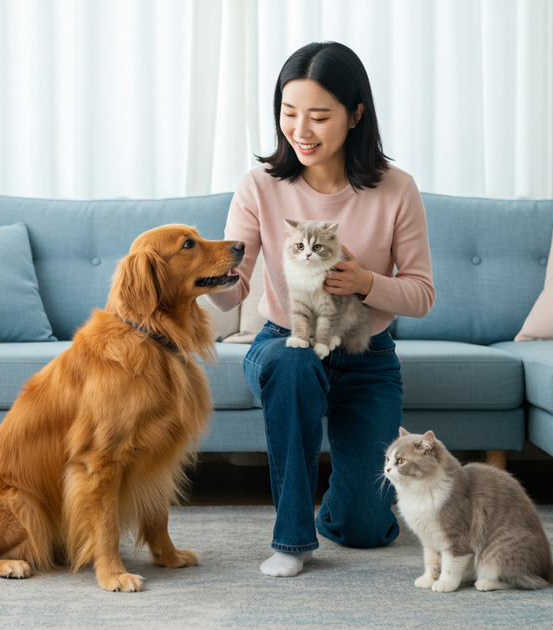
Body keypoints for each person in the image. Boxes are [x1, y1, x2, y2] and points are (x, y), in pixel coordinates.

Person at [207, 41, 435, 577]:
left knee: (366, 530)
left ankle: (348, 499)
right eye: (289, 114)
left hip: (366, 356)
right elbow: (232, 292)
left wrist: (365, 282)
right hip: (285, 344)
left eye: (318, 116)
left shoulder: (396, 190)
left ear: (356, 115)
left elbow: (422, 294)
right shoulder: (260, 185)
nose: (301, 131)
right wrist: (210, 280)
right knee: (292, 363)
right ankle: (292, 540)